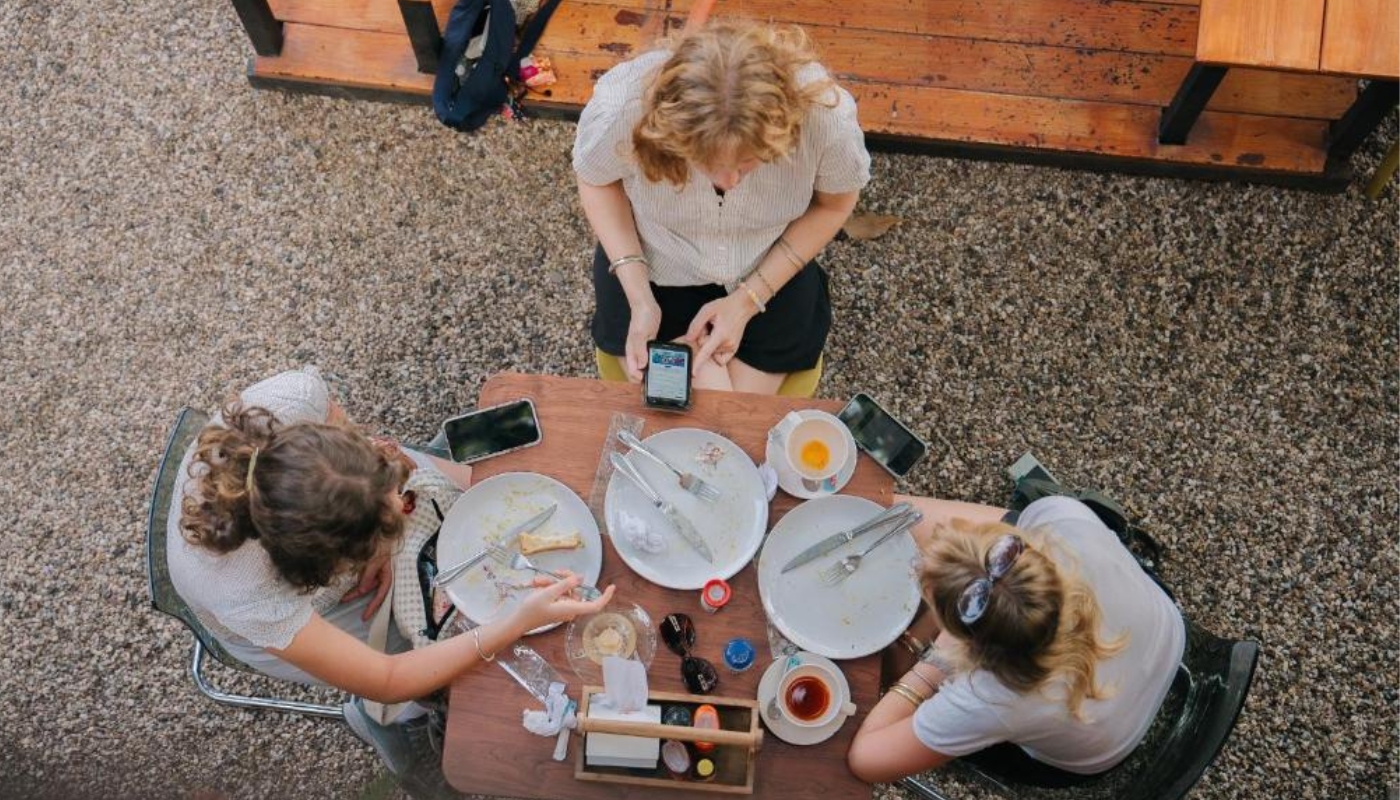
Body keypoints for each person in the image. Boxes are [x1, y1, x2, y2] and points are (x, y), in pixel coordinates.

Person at [168, 369, 614, 792]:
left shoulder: (292, 399)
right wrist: (512, 623)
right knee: (432, 679)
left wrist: (386, 524)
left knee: (445, 499)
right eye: (384, 526)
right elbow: (388, 677)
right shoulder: (246, 596)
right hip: (278, 621)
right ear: (332, 562)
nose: (404, 506)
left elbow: (358, 449)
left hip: (340, 519)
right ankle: (394, 730)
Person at [573, 20, 871, 394]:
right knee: (694, 425)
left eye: (748, 163)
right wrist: (639, 297)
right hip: (650, 267)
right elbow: (597, 179)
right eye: (706, 164)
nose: (729, 182)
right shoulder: (625, 108)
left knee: (724, 423)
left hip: (768, 271)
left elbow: (834, 206)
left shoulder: (825, 118)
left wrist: (747, 300)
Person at [847, 495, 1185, 786]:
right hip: (1161, 636)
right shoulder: (1064, 519)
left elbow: (865, 760)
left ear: (969, 643)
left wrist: (932, 666)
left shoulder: (990, 699)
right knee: (888, 512)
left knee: (884, 675)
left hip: (1095, 755)